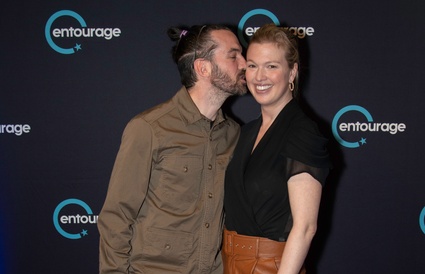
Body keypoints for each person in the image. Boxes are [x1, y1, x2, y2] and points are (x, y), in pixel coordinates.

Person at [98, 24, 247, 273]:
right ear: (203, 67)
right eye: (233, 55)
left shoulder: (234, 134)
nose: (244, 63)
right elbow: (117, 217)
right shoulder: (149, 128)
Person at [222, 23, 332, 274]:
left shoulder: (302, 132)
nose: (259, 77)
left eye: (271, 66)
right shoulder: (247, 131)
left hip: (272, 267)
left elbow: (305, 228)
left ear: (292, 72)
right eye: (252, 65)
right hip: (230, 264)